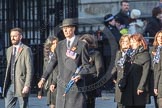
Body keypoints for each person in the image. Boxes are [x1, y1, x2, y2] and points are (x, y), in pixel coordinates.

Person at [38, 18, 90, 108]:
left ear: (73, 28)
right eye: (63, 28)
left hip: (75, 86)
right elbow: (52, 63)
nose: (65, 30)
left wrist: (80, 75)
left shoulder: (81, 44)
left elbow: (86, 66)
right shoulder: (59, 45)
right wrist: (43, 78)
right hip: (62, 87)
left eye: (68, 27)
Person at [2, 27, 34, 108]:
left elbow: (30, 69)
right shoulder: (8, 50)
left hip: (21, 84)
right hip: (10, 85)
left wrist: (27, 85)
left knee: (23, 106)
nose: (12, 38)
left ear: (20, 37)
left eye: (15, 36)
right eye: (11, 36)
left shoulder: (26, 50)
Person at [122, 33, 151, 108]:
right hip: (128, 86)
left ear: (140, 42)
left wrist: (141, 87)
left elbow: (146, 73)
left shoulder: (145, 54)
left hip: (138, 86)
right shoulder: (129, 54)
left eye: (134, 42)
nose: (131, 44)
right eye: (131, 42)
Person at [80, 34, 104, 108]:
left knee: (89, 104)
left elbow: (100, 70)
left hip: (91, 83)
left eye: (85, 43)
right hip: (80, 82)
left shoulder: (96, 54)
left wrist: (97, 86)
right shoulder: (78, 54)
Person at [37, 36, 59, 108]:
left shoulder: (60, 55)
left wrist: (54, 83)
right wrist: (40, 91)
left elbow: (59, 71)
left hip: (58, 84)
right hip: (50, 85)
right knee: (51, 105)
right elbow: (45, 72)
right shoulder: (46, 58)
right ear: (49, 45)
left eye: (56, 43)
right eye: (53, 44)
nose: (55, 45)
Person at [111, 34, 131, 108]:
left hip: (128, 82)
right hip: (119, 81)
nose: (123, 43)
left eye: (126, 41)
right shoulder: (119, 53)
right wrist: (113, 77)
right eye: (122, 41)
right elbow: (115, 66)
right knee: (119, 104)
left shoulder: (132, 53)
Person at [102, 13, 121, 92]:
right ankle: (109, 86)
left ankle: (111, 85)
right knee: (110, 69)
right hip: (109, 53)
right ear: (109, 22)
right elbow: (117, 38)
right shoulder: (109, 29)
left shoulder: (113, 28)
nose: (114, 21)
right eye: (113, 20)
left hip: (111, 52)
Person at [152, 30, 162, 108]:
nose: (160, 38)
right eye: (158, 36)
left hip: (160, 78)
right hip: (153, 77)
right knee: (156, 101)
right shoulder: (153, 49)